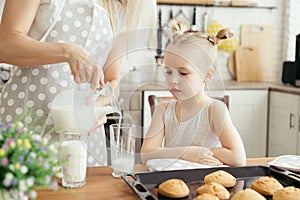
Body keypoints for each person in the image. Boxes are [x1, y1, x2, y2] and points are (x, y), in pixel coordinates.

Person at [0, 0, 156, 166]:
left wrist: (98, 107)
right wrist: (68, 52)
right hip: (25, 121)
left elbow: (112, 78)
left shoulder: (116, 7)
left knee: (82, 190)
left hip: (84, 136)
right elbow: (5, 45)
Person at [141, 22, 246, 167]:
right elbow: (146, 154)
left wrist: (198, 153)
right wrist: (186, 153)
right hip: (171, 184)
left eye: (183, 73)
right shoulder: (163, 110)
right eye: (168, 72)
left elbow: (238, 158)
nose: (173, 80)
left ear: (207, 76)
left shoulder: (215, 110)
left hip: (207, 186)